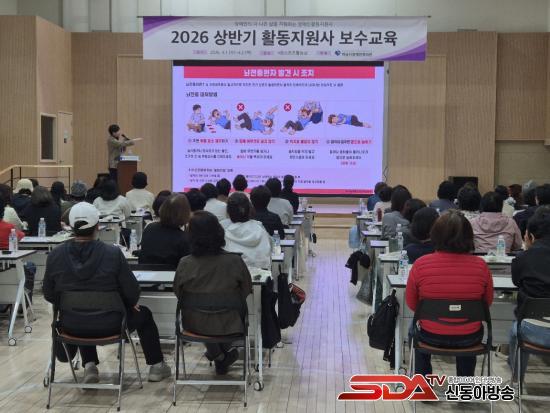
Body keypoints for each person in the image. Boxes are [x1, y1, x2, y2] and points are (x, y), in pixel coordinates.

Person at [43, 202, 171, 383]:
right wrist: (128, 302)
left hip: (71, 325)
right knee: (144, 314)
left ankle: (89, 366)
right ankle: (157, 366)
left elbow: (48, 293)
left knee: (82, 310)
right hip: (113, 323)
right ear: (97, 226)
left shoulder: (55, 255)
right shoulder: (113, 254)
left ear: (70, 226)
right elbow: (132, 291)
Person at [406, 210, 494, 377]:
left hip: (430, 335)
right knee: (470, 328)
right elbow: (486, 303)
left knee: (413, 330)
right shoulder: (481, 266)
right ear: (469, 237)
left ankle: (423, 383)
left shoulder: (420, 264)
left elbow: (412, 304)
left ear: (435, 235)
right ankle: (464, 384)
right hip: (469, 337)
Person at [174, 211, 252, 375]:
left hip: (194, 323)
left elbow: (179, 293)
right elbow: (245, 290)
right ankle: (221, 356)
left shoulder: (185, 263)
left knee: (207, 319)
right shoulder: (235, 261)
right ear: (219, 232)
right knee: (225, 318)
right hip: (231, 322)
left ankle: (218, 356)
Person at [508, 206, 550, 381]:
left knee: (516, 328)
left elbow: (516, 282)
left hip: (531, 329)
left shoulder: (523, 259)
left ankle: (517, 378)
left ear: (530, 236)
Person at [221, 193, 272, 269]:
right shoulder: (260, 228)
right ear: (249, 209)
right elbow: (270, 250)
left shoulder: (222, 230)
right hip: (260, 274)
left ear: (228, 212)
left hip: (232, 274)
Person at [139, 194, 191, 268]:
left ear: (162, 209)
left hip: (145, 272)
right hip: (171, 274)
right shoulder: (183, 239)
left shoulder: (149, 228)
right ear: (185, 214)